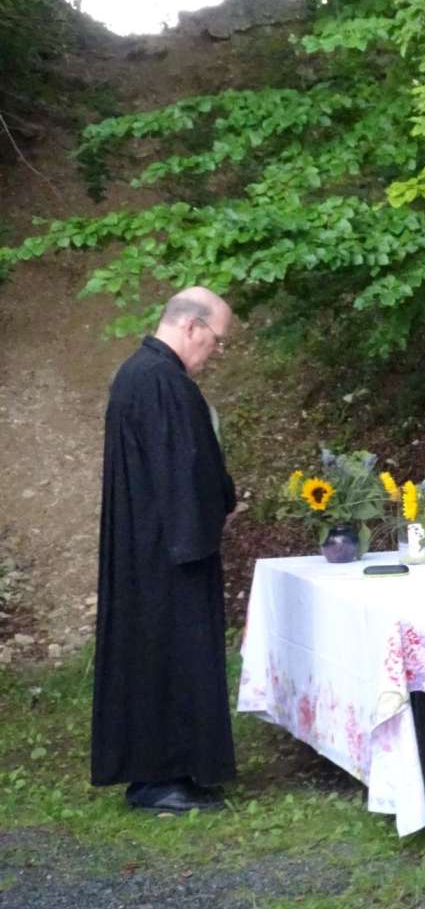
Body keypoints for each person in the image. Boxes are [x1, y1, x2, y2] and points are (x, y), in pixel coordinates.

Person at [92, 287, 243, 813]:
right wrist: (215, 507)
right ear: (191, 327)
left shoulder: (142, 375)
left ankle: (169, 771)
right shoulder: (161, 382)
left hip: (151, 542)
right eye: (217, 341)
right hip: (167, 550)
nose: (216, 352)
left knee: (159, 654)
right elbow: (186, 469)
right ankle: (160, 779)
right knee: (168, 654)